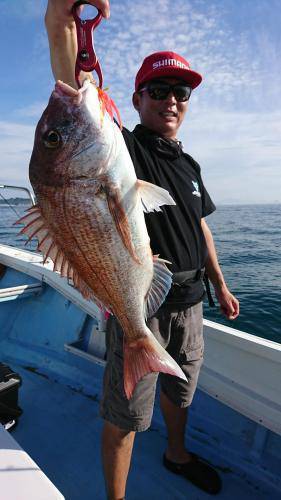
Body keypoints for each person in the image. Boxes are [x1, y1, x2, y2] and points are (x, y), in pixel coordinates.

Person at [45, 1, 240, 499]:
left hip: (192, 303)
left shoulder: (191, 165)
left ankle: (177, 455)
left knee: (181, 390)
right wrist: (60, 20)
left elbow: (201, 228)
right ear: (135, 101)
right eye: (159, 91)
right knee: (126, 413)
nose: (171, 101)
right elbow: (71, 88)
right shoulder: (125, 149)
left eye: (180, 93)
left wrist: (218, 282)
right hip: (139, 307)